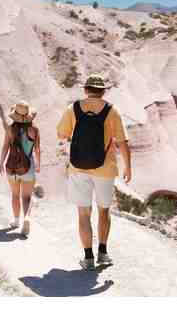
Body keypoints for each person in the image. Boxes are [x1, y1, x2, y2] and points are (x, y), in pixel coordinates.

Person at [56, 74, 132, 270]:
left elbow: (61, 134)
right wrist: (128, 167)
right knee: (104, 211)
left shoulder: (73, 108)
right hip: (105, 169)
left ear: (85, 90)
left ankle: (88, 257)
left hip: (78, 167)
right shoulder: (112, 111)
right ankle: (103, 253)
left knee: (83, 213)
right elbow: (122, 142)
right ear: (103, 91)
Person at [0, 101, 41, 237]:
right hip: (28, 167)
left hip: (11, 167)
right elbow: (37, 149)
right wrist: (38, 164)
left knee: (15, 195)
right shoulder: (34, 130)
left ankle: (16, 221)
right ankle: (27, 218)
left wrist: (1, 162)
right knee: (27, 197)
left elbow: (5, 147)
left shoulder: (10, 129)